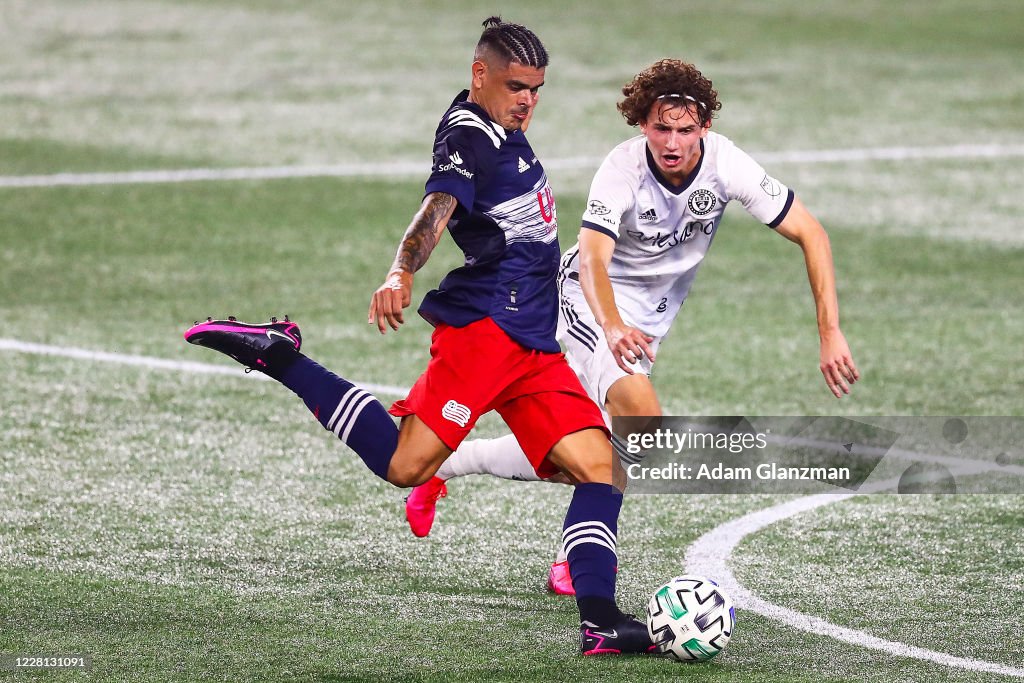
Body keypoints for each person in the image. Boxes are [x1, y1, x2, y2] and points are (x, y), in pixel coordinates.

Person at [184, 17, 654, 656]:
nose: (528, 100)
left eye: (537, 88)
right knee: (407, 464)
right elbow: (437, 210)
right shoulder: (468, 136)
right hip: (487, 334)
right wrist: (401, 268)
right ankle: (280, 356)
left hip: (534, 343)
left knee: (601, 468)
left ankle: (601, 621)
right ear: (478, 74)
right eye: (516, 85)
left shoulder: (506, 131)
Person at [405, 58, 860, 595]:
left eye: (685, 130)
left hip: (647, 324)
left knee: (611, 450)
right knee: (640, 416)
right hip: (585, 301)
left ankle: (456, 469)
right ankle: (581, 562)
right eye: (661, 127)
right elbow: (594, 259)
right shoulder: (622, 170)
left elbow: (812, 233)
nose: (673, 142)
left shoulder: (725, 164)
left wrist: (829, 331)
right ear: (642, 123)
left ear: (704, 128)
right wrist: (613, 324)